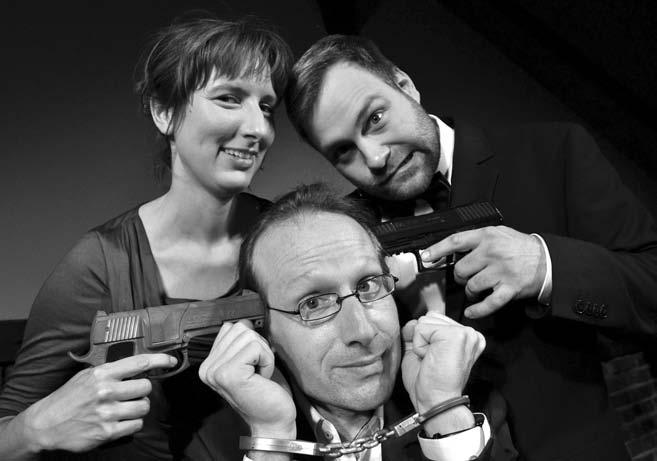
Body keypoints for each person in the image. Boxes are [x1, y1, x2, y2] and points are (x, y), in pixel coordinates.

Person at [284, 35, 657, 460]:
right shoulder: (340, 234)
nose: (374, 157)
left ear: (405, 85)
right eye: (343, 152)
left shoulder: (554, 152)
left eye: (375, 118)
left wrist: (545, 265)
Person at [0, 16, 292, 459]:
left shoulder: (290, 234)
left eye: (266, 107)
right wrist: (37, 427)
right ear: (164, 112)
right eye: (229, 98)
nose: (259, 128)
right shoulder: (101, 264)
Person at [199, 183, 493, 461]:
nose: (363, 331)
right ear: (264, 331)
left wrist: (444, 414)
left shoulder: (466, 401)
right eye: (313, 303)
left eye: (368, 285)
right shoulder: (210, 446)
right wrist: (271, 440)